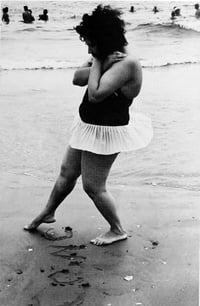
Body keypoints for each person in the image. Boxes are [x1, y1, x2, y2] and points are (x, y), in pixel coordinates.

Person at [24, 5, 153, 246]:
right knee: (67, 172)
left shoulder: (127, 63)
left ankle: (117, 229)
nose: (88, 49)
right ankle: (48, 212)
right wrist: (98, 61)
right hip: (88, 125)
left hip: (107, 131)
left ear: (103, 41)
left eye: (91, 44)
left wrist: (96, 62)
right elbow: (76, 79)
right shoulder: (104, 57)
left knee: (93, 186)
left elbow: (95, 93)